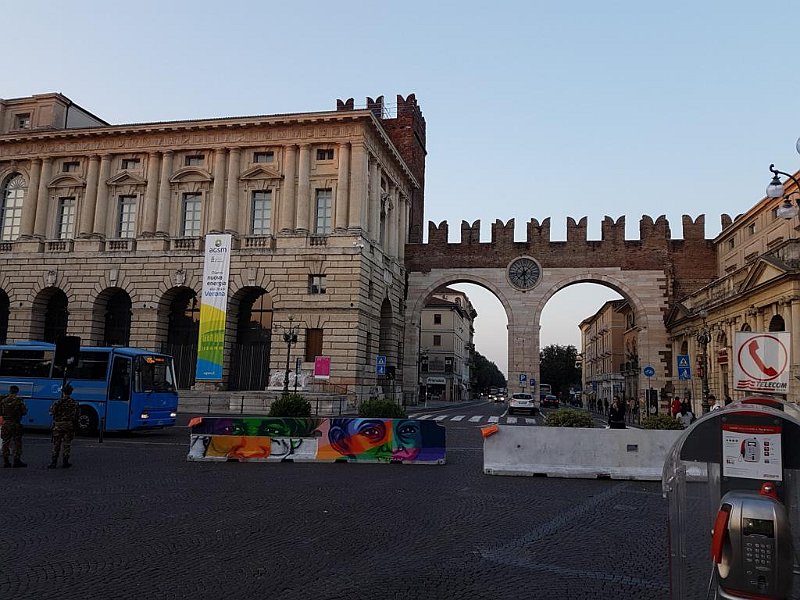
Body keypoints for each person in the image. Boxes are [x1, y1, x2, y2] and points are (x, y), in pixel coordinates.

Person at [49, 383, 79, 468]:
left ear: (63, 392)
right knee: (67, 444)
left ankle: (54, 462)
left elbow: (51, 412)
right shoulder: (74, 403)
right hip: (69, 425)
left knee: (56, 444)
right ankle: (65, 462)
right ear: (71, 392)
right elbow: (77, 415)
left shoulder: (58, 402)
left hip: (58, 425)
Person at [0, 385, 27, 468]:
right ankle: (16, 460)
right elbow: (24, 412)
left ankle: (6, 461)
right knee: (17, 442)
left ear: (10, 391)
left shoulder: (3, 401)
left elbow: (1, 412)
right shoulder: (19, 400)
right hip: (15, 424)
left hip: (6, 424)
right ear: (17, 391)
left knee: (5, 442)